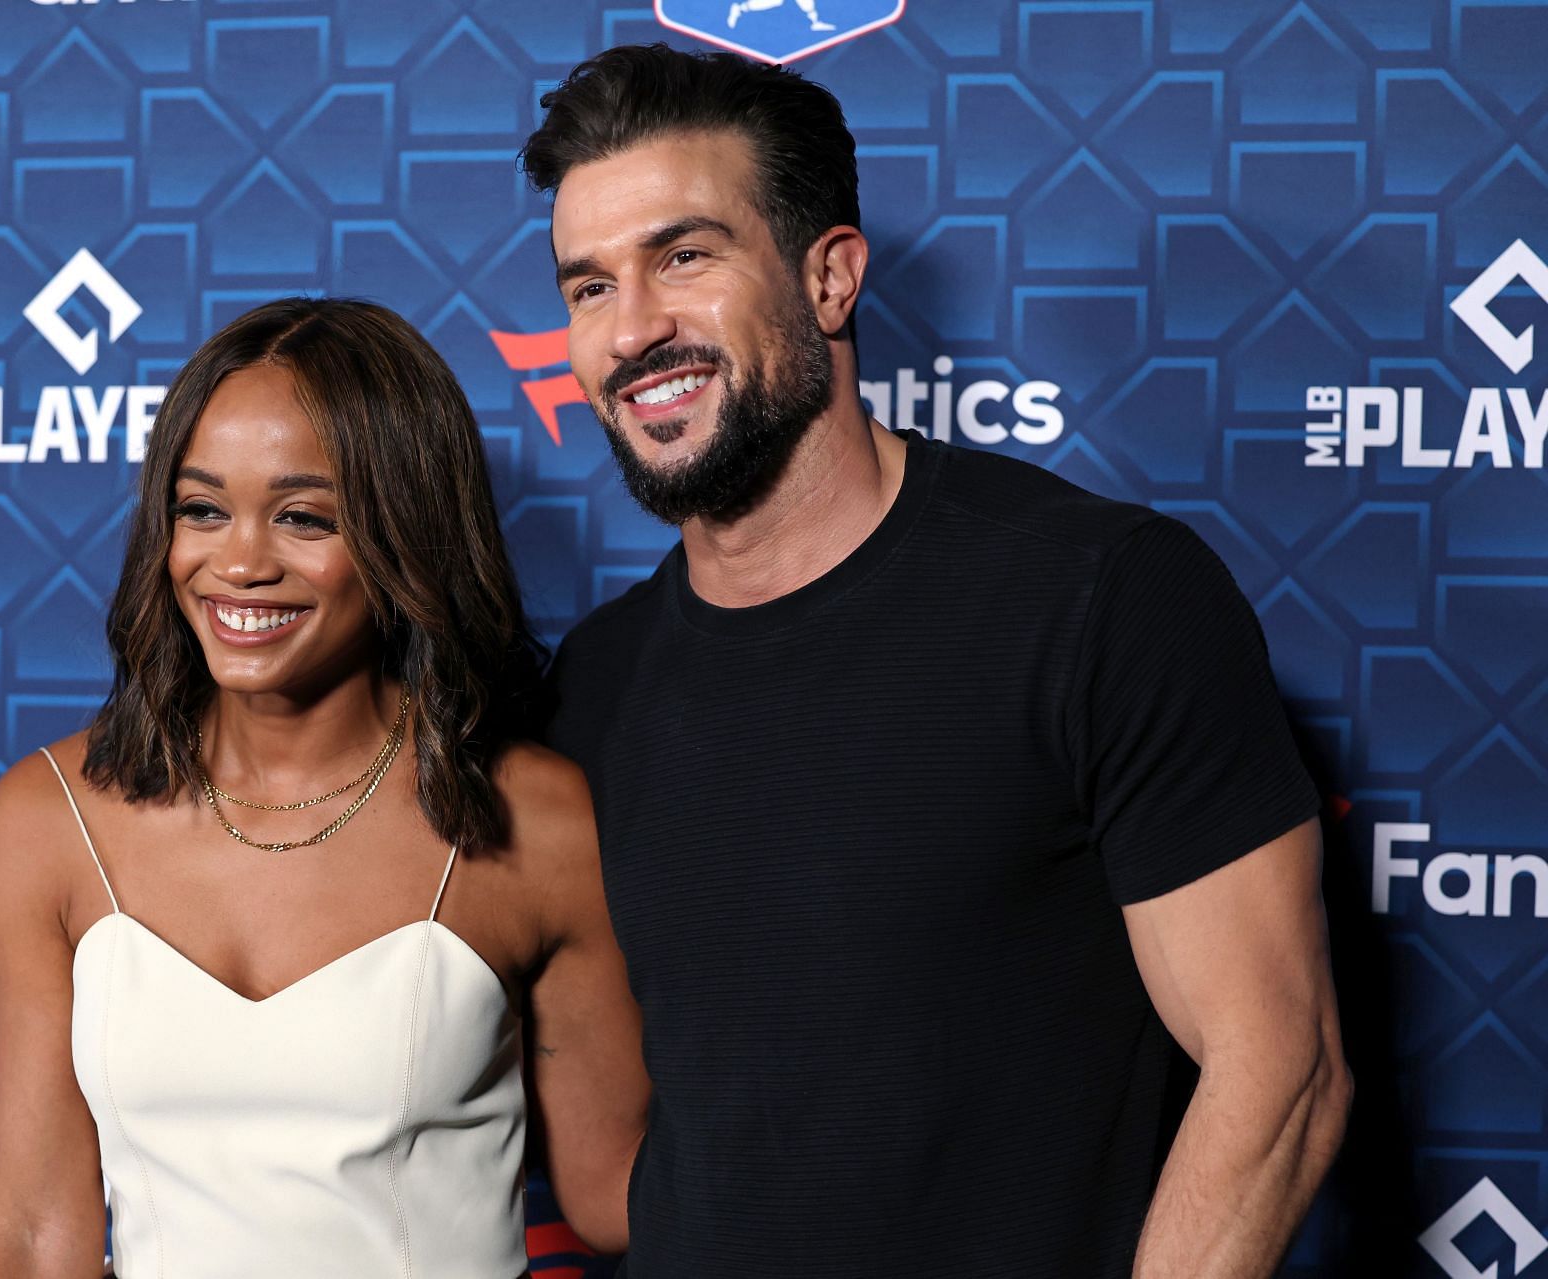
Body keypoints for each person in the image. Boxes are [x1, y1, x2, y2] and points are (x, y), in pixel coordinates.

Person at [524, 44, 1352, 1278]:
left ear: (831, 278)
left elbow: (1281, 1068)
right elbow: (621, 1170)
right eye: (589, 287)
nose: (632, 328)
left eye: (684, 257)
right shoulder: (591, 685)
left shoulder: (1099, 597)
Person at [0, 298, 648, 1279]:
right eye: (202, 509)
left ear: (402, 536)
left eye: (304, 518)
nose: (239, 561)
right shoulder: (48, 817)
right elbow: (34, 1233)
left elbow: (617, 1194)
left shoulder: (535, 819)